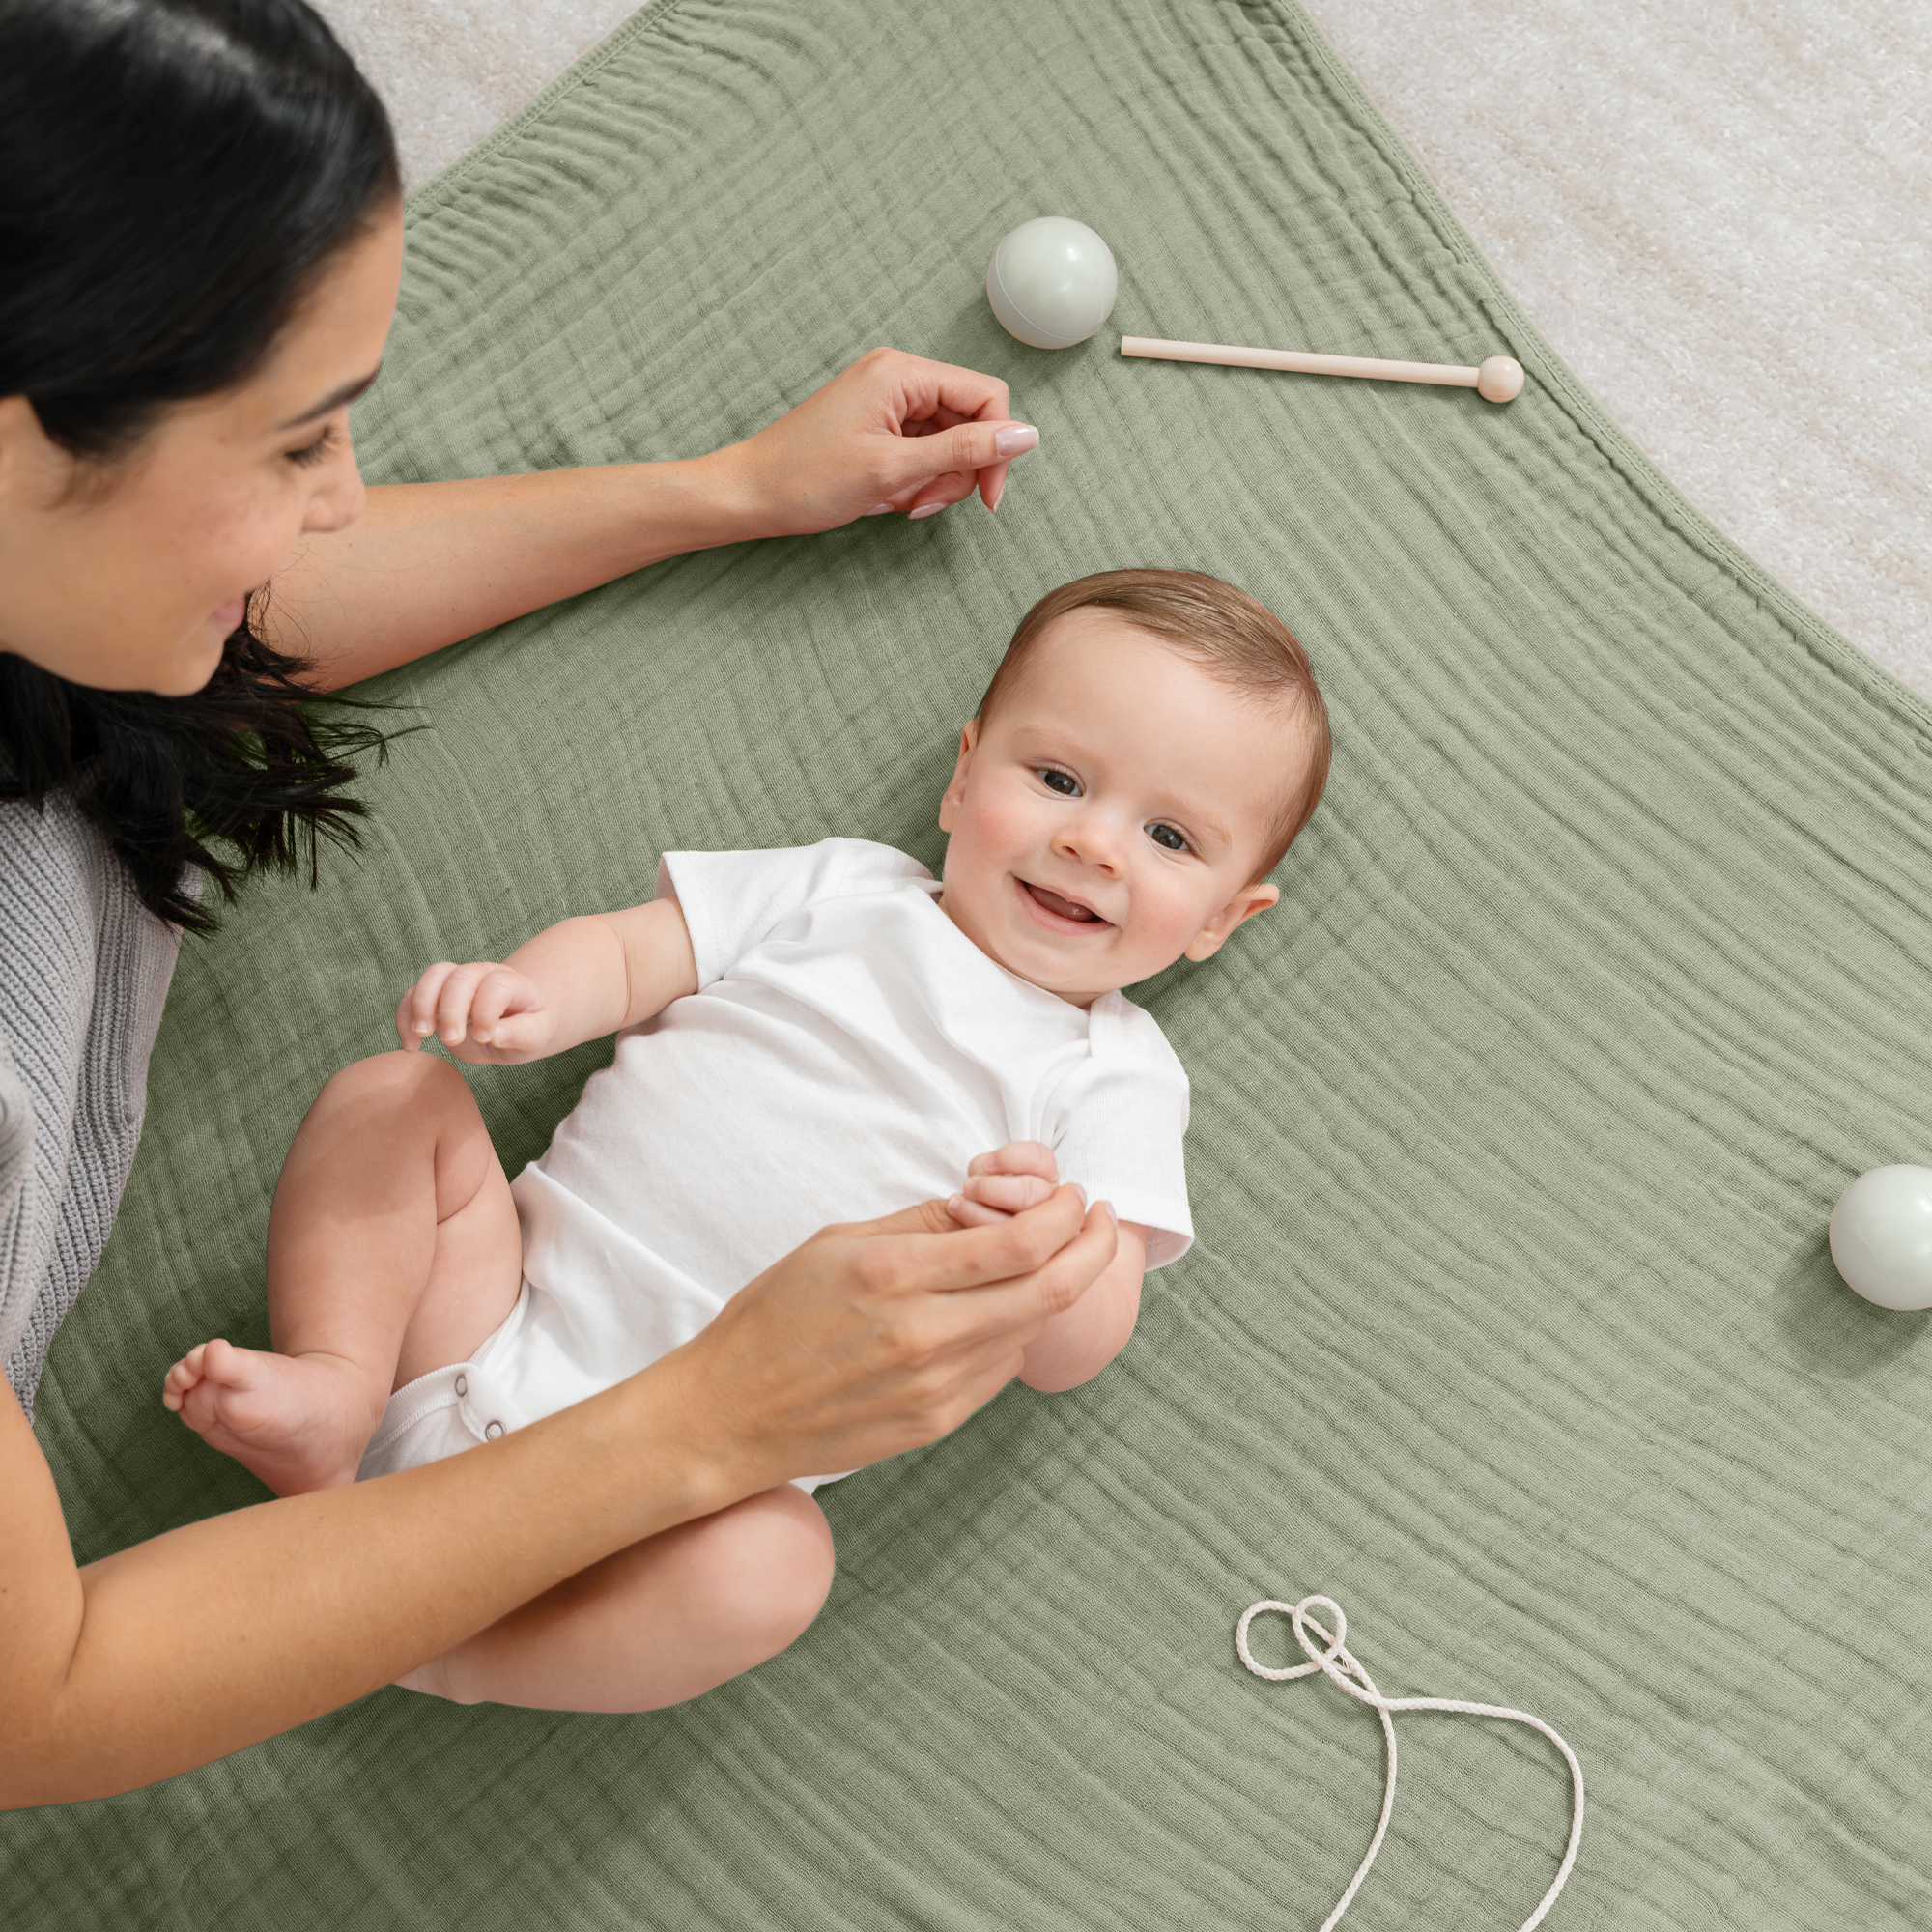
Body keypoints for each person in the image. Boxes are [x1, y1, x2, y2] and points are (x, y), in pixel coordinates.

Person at [0, 0, 1114, 1811]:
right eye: (300, 443)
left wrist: (725, 493)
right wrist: (715, 1420)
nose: (345, 501)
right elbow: (30, 1707)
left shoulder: (65, 581)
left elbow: (232, 603)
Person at [161, 568, 1331, 1713]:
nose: (1094, 844)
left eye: (1171, 838)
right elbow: (633, 952)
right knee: (391, 1096)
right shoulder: (842, 890)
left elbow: (1072, 1347)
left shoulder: (1112, 1075)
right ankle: (340, 1391)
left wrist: (1040, 1262)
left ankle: (439, 1653)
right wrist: (529, 1000)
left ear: (1226, 916)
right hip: (483, 1315)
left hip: (673, 1500)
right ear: (964, 772)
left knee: (774, 1564)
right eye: (1059, 776)